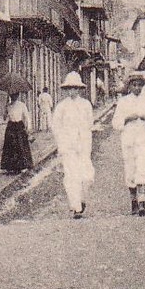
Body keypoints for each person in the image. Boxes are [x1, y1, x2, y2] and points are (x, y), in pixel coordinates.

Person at [112, 70, 145, 215]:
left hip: (143, 139)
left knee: (143, 168)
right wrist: (127, 119)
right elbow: (116, 123)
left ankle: (142, 202)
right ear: (129, 86)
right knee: (130, 170)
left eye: (140, 85)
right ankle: (133, 201)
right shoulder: (123, 102)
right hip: (129, 139)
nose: (137, 88)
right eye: (134, 85)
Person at [52, 72, 96, 218]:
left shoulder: (86, 105)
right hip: (68, 145)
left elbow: (90, 123)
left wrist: (83, 136)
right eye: (70, 88)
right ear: (66, 89)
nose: (72, 91)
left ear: (79, 89)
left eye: (75, 88)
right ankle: (76, 206)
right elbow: (56, 127)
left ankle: (82, 198)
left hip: (83, 144)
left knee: (87, 176)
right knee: (71, 176)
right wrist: (61, 143)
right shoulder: (61, 107)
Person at [0, 91, 33, 173]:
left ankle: (23, 165)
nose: (14, 97)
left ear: (17, 96)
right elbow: (4, 118)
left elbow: (27, 116)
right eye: (12, 95)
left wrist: (29, 127)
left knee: (20, 145)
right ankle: (10, 166)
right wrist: (5, 109)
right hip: (11, 126)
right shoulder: (8, 106)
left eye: (15, 95)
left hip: (19, 126)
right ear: (10, 96)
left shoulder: (22, 105)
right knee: (10, 146)